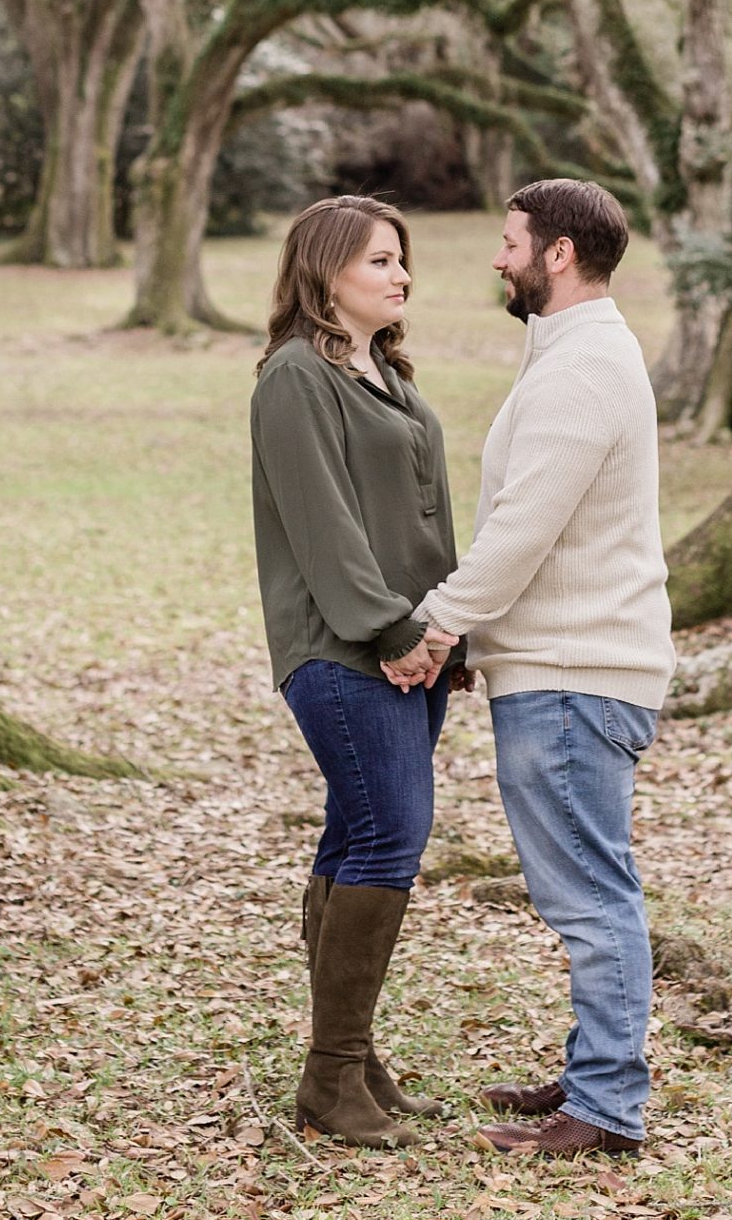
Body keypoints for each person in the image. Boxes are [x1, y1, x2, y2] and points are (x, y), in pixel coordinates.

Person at [388, 180, 674, 1158]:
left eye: (510, 242)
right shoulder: (573, 352)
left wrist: (439, 629)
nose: (498, 258)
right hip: (563, 665)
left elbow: (522, 529)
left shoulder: (583, 364)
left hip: (573, 676)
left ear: (557, 254)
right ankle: (597, 1066)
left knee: (589, 894)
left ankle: (603, 1107)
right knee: (587, 888)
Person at [249, 194, 464, 1150]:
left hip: (410, 649)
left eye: (401, 261)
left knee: (357, 839)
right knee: (390, 837)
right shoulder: (295, 377)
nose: (400, 275)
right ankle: (331, 1077)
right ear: (326, 269)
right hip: (342, 650)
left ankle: (352, 1058)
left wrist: (448, 630)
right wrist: (389, 630)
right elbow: (324, 525)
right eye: (380, 261)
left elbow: (426, 524)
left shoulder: (389, 376)